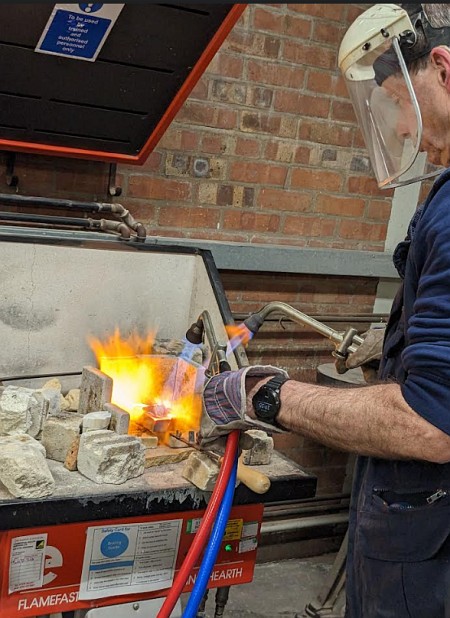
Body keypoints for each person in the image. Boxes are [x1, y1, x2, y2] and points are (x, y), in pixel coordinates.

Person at [200, 5, 450, 617]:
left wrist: (265, 395)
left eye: (399, 102)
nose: (400, 130)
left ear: (443, 69)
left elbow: (431, 422)